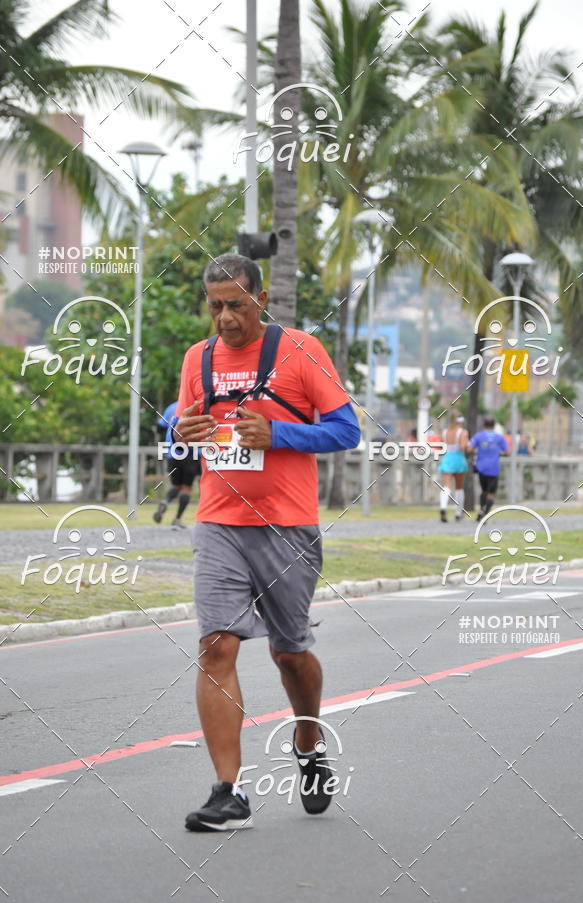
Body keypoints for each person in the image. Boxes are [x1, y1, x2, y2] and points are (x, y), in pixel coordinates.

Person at [172, 253, 360, 832]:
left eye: (235, 304)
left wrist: (278, 432)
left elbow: (346, 429)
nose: (225, 317)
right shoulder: (197, 358)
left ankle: (308, 741)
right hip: (219, 520)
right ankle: (228, 793)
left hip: (287, 526)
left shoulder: (301, 351)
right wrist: (179, 432)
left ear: (259, 299)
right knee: (216, 647)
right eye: (215, 306)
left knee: (289, 653)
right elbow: (178, 425)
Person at [153, 401, 200, 529]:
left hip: (172, 452)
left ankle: (166, 501)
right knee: (186, 488)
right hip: (192, 452)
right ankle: (177, 519)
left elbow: (159, 427)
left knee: (176, 485)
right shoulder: (200, 406)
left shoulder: (171, 407)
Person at [468, 416, 509, 521]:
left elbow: (470, 449)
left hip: (481, 467)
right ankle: (484, 513)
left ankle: (481, 509)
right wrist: (498, 453)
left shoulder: (478, 436)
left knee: (484, 491)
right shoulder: (499, 437)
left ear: (484, 425)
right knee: (491, 493)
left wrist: (476, 452)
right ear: (494, 426)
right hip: (494, 468)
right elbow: (507, 452)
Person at [437, 414, 469, 522]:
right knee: (459, 487)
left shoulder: (444, 432)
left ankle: (443, 507)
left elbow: (441, 445)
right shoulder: (463, 432)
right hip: (459, 458)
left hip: (447, 458)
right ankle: (458, 513)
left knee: (446, 486)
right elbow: (463, 446)